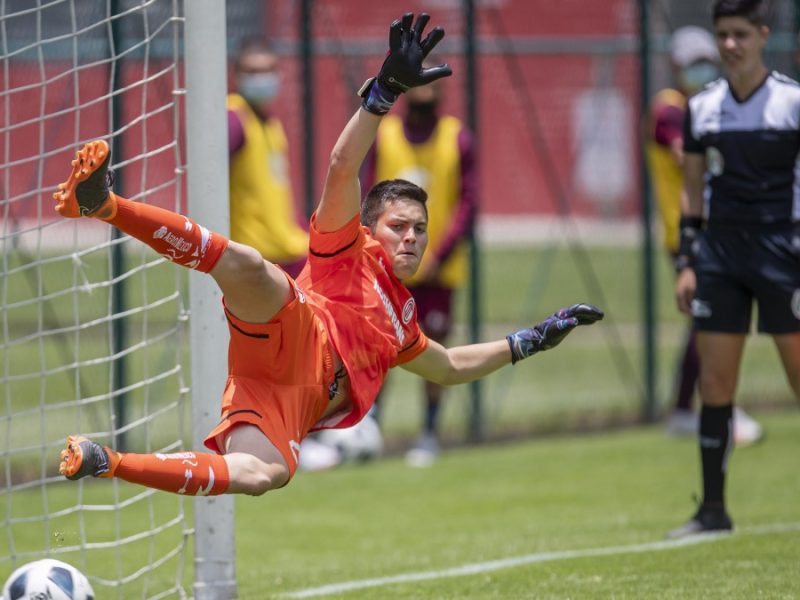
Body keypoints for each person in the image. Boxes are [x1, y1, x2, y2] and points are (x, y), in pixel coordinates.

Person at [55, 13, 604, 497]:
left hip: (289, 399)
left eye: (420, 229)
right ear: (369, 228)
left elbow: (451, 366)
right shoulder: (347, 247)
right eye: (398, 226)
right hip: (291, 330)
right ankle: (105, 204)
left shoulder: (402, 323)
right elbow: (343, 165)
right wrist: (383, 93)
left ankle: (109, 463)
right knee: (249, 265)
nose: (411, 237)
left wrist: (527, 341)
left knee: (260, 475)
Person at [668, 0, 800, 538]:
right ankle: (713, 512)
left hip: (783, 253)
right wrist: (687, 260)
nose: (729, 45)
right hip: (720, 256)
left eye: (740, 34)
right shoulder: (703, 108)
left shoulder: (792, 102)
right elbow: (693, 187)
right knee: (716, 384)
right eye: (722, 34)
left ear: (762, 35)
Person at [646, 25, 763, 444]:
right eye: (692, 64)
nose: (701, 71)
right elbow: (687, 154)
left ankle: (687, 408)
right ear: (675, 66)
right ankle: (719, 409)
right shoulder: (670, 109)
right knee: (713, 321)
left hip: (713, 231)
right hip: (689, 235)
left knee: (707, 322)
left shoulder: (702, 107)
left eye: (705, 63)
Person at [361, 70, 476, 467]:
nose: (426, 92)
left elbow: (468, 204)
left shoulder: (456, 137)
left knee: (435, 351)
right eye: (420, 83)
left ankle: (428, 432)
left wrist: (436, 257)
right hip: (386, 270)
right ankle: (368, 428)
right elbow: (367, 196)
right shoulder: (386, 134)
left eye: (434, 84)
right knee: (380, 349)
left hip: (440, 271)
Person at [227, 36, 308, 278]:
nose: (262, 79)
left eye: (268, 71)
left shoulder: (270, 123)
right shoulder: (233, 118)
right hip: (258, 260)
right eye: (253, 72)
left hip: (288, 251)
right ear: (237, 75)